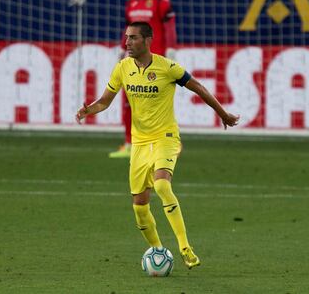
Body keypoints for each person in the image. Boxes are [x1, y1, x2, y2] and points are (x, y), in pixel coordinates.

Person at [76, 21, 239, 269]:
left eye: (133, 38)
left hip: (166, 137)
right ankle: (157, 249)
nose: (127, 43)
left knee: (162, 184)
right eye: (126, 38)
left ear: (148, 40)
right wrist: (90, 110)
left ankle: (185, 248)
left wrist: (223, 113)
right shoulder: (122, 68)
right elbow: (105, 101)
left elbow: (200, 88)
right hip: (140, 144)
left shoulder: (167, 67)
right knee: (140, 207)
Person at [109, 0, 177, 158]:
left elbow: (169, 26)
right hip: (134, 61)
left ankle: (165, 142)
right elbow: (127, 30)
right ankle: (129, 144)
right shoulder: (130, 3)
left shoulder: (161, 1)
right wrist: (121, 48)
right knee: (129, 100)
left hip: (156, 61)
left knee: (155, 104)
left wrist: (171, 48)